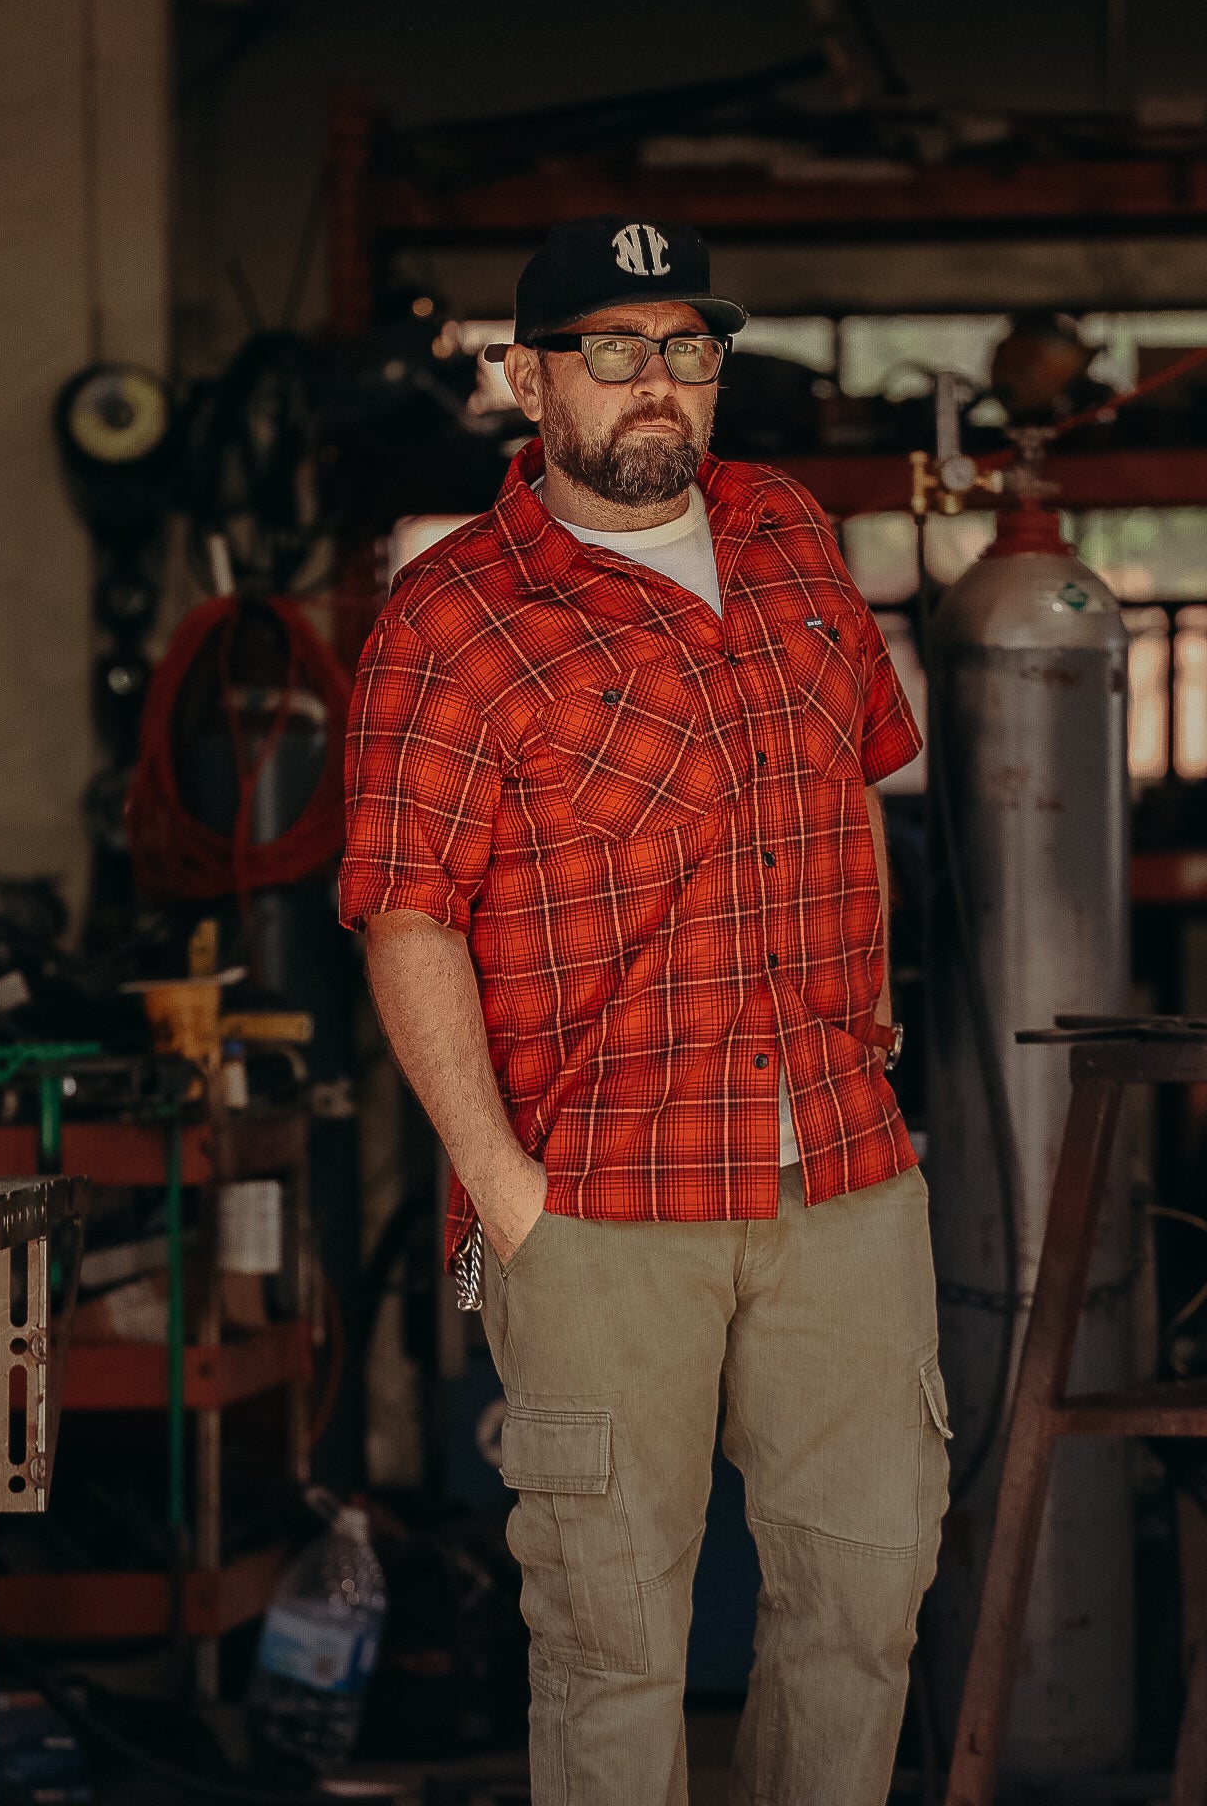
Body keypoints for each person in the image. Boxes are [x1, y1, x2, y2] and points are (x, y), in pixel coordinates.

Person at [339, 216, 950, 1806]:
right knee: (612, 1647)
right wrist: (505, 1187)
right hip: (597, 1200)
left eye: (686, 348)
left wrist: (872, 1043)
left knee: (864, 1606)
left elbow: (858, 789)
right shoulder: (452, 616)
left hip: (842, 1175)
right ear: (528, 377)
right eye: (610, 349)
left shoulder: (789, 535)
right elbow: (406, 915)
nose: (655, 385)